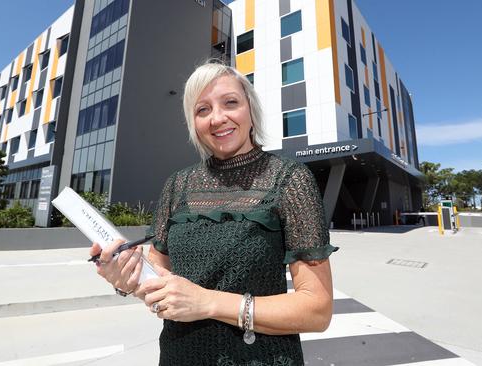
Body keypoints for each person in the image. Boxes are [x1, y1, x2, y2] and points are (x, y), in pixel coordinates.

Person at [90, 61, 338, 365]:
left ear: (250, 109)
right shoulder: (177, 185)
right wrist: (128, 282)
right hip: (179, 357)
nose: (217, 118)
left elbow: (317, 310)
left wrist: (208, 303)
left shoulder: (288, 179)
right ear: (193, 122)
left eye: (230, 103)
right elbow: (159, 283)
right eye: (202, 110)